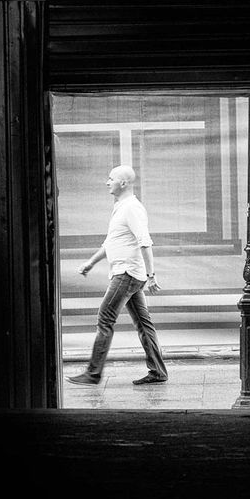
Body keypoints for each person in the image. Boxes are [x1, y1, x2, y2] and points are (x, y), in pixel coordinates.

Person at [66, 165, 169, 386]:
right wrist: (90, 263)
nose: (107, 182)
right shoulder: (121, 207)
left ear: (123, 183)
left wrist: (152, 275)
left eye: (111, 179)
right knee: (143, 323)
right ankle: (158, 371)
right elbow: (111, 243)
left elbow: (145, 242)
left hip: (127, 274)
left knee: (105, 318)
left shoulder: (132, 208)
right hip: (129, 273)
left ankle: (93, 373)